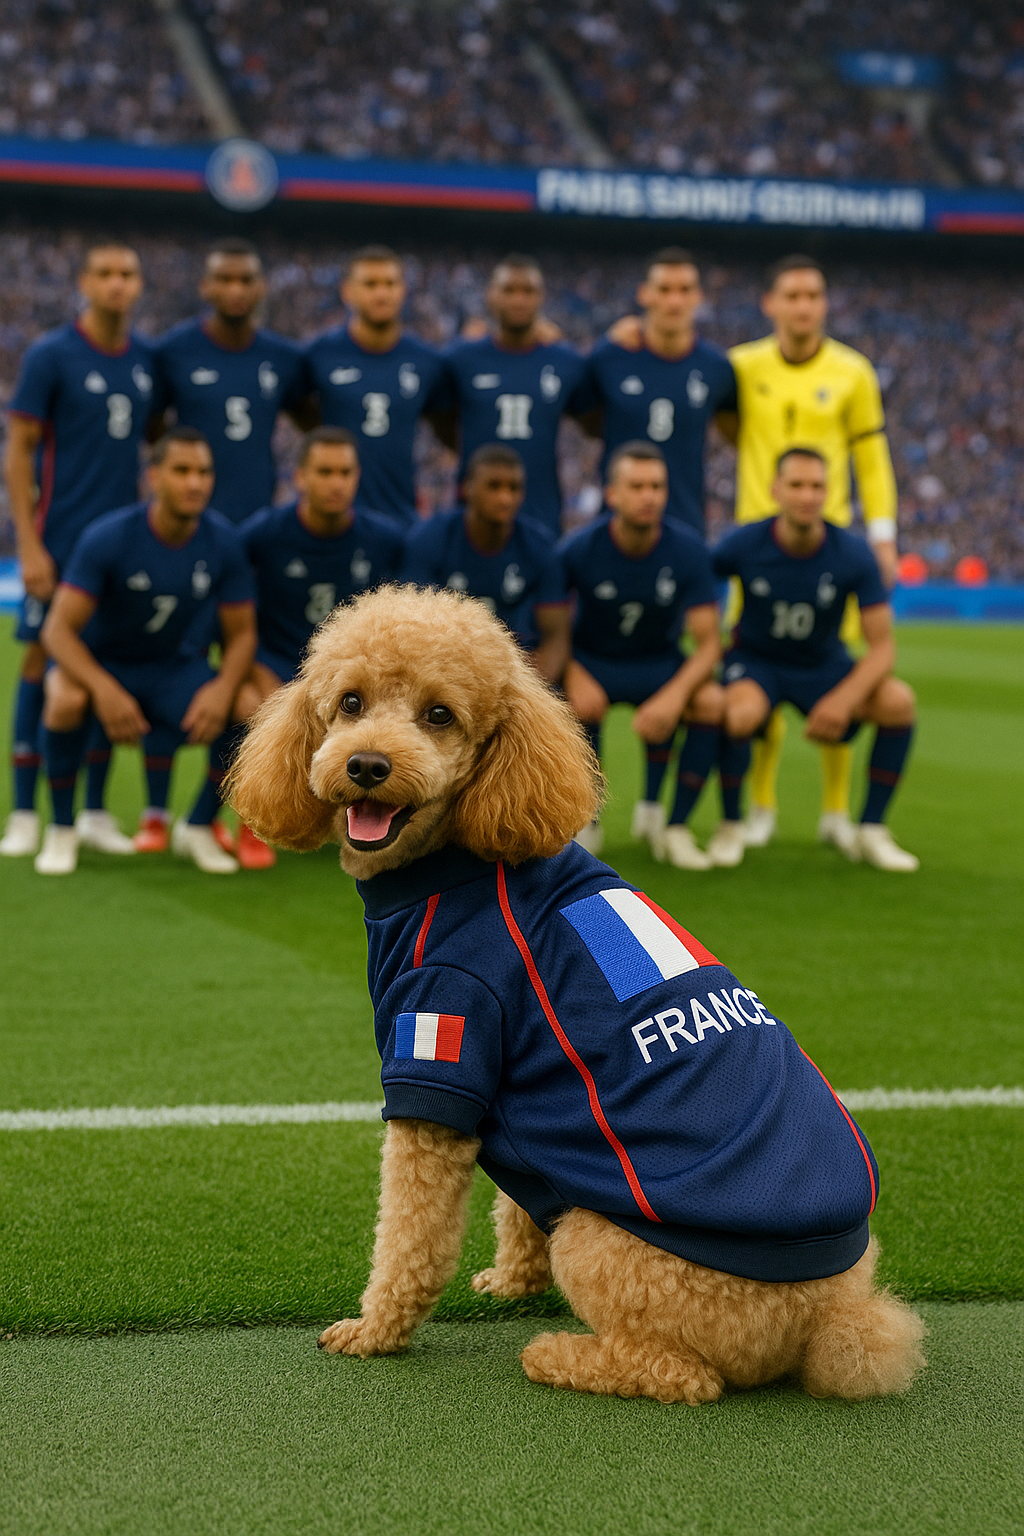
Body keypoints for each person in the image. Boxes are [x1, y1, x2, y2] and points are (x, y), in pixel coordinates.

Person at [721, 255, 900, 852]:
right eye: (792, 295)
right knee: (759, 665)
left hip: (830, 545)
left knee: (832, 662)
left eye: (814, 295)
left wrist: (882, 534)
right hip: (757, 544)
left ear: (825, 304)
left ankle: (835, 812)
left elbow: (871, 459)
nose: (803, 306)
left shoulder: (853, 372)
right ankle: (761, 805)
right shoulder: (742, 366)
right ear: (770, 303)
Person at [35, 427, 257, 875]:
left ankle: (196, 827)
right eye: (181, 471)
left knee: (249, 706)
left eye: (203, 472)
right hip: (102, 664)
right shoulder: (109, 537)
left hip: (172, 667)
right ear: (153, 477)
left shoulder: (223, 542)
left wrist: (222, 687)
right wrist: (102, 688)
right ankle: (60, 830)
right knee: (64, 699)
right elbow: (57, 631)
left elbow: (243, 635)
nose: (194, 482)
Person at [2, 239, 155, 859]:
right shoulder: (52, 355)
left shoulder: (146, 361)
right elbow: (19, 451)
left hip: (121, 551)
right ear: (84, 283)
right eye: (106, 273)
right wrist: (29, 545)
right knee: (41, 665)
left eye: (128, 272)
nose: (118, 283)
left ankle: (92, 810)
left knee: (102, 669)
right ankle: (22, 811)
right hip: (61, 543)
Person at [712, 447, 917, 872]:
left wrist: (842, 700)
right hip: (757, 661)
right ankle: (731, 824)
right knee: (738, 713)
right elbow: (694, 584)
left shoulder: (852, 552)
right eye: (797, 485)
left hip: (822, 665)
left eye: (817, 486)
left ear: (829, 492)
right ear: (776, 490)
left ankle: (871, 830)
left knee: (898, 701)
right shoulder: (744, 542)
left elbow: (883, 648)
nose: (807, 495)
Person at [560, 442, 723, 870]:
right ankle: (585, 821)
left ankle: (673, 826)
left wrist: (674, 696)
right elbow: (551, 631)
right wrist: (574, 673)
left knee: (710, 701)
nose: (648, 496)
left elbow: (709, 643)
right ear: (611, 494)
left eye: (657, 486)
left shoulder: (687, 549)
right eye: (637, 486)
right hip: (594, 660)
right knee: (568, 701)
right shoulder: (578, 550)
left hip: (658, 662)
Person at [574, 248, 736, 538]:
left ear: (699, 297)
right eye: (664, 290)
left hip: (688, 531)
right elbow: (585, 419)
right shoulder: (609, 358)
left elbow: (734, 429)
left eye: (684, 290)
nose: (674, 301)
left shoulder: (717, 368)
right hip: (615, 532)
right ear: (644, 294)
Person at [151, 239, 312, 524]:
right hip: (189, 519)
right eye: (224, 280)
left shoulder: (284, 357)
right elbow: (152, 424)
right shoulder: (173, 351)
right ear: (205, 286)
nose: (236, 289)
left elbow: (311, 420)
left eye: (246, 280)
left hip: (258, 516)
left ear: (262, 287)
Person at [435, 255, 588, 536]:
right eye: (509, 290)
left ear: (541, 297)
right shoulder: (460, 359)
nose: (518, 300)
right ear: (490, 295)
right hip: (471, 518)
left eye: (527, 291)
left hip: (542, 516)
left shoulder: (566, 362)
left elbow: (593, 421)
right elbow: (440, 420)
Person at [304, 246, 449, 526]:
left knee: (393, 575)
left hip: (401, 521)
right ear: (348, 291)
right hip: (335, 523)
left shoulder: (427, 361)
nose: (381, 293)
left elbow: (448, 426)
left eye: (390, 284)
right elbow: (297, 407)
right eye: (370, 284)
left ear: (403, 290)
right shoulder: (318, 354)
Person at [401, 444, 569, 684]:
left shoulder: (540, 547)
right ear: (467, 488)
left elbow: (555, 637)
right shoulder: (429, 540)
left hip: (515, 667)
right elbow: (410, 626)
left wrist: (534, 690)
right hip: (442, 666)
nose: (505, 498)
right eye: (494, 486)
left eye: (514, 488)